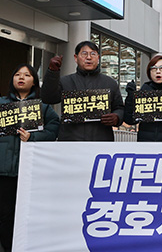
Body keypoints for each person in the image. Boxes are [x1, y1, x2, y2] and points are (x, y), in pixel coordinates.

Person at [0, 64, 59, 251]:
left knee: (27, 213)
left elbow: (54, 130)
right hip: (4, 170)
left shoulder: (43, 108)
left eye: (26, 75)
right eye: (17, 74)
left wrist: (33, 137)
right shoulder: (2, 105)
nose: (21, 77)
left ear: (34, 81)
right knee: (5, 215)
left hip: (30, 171)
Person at [41, 41, 124, 141]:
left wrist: (117, 117)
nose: (88, 57)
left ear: (98, 58)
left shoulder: (110, 83)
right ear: (76, 58)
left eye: (93, 54)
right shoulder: (65, 81)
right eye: (84, 54)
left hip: (101, 141)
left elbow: (119, 108)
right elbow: (48, 98)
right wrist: (52, 72)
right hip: (71, 142)